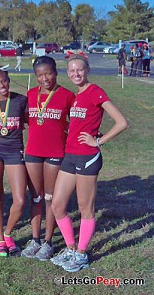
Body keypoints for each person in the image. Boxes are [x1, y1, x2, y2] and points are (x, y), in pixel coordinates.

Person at [50, 54, 128, 272]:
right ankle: (71, 248)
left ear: (87, 70)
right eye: (72, 70)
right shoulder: (76, 96)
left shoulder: (95, 91)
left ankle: (82, 255)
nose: (76, 74)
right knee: (57, 205)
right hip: (70, 155)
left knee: (86, 208)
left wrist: (98, 141)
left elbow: (122, 122)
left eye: (80, 70)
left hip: (88, 157)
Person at [21, 56, 75, 260]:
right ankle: (34, 239)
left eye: (48, 73)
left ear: (55, 72)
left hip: (55, 152)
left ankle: (48, 241)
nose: (45, 78)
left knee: (50, 198)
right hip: (33, 152)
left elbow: (75, 121)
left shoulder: (67, 95)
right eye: (40, 75)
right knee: (35, 196)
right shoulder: (30, 94)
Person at [0, 66, 28, 257]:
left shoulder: (20, 100)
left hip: (14, 150)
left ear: (8, 80)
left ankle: (8, 233)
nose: (2, 85)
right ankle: (1, 240)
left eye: (4, 81)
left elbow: (27, 123)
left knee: (20, 199)